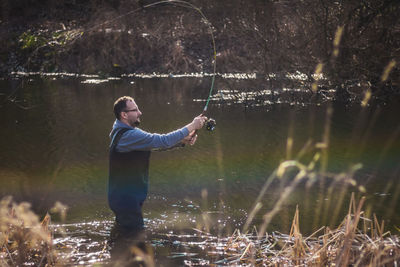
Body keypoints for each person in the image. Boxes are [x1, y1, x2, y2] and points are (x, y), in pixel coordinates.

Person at [108, 96, 207, 230]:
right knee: (136, 242)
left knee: (122, 238)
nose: (140, 112)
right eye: (135, 110)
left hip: (124, 197)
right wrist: (192, 126)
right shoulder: (128, 135)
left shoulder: (122, 131)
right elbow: (162, 140)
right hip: (126, 200)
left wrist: (181, 141)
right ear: (124, 115)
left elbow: (155, 144)